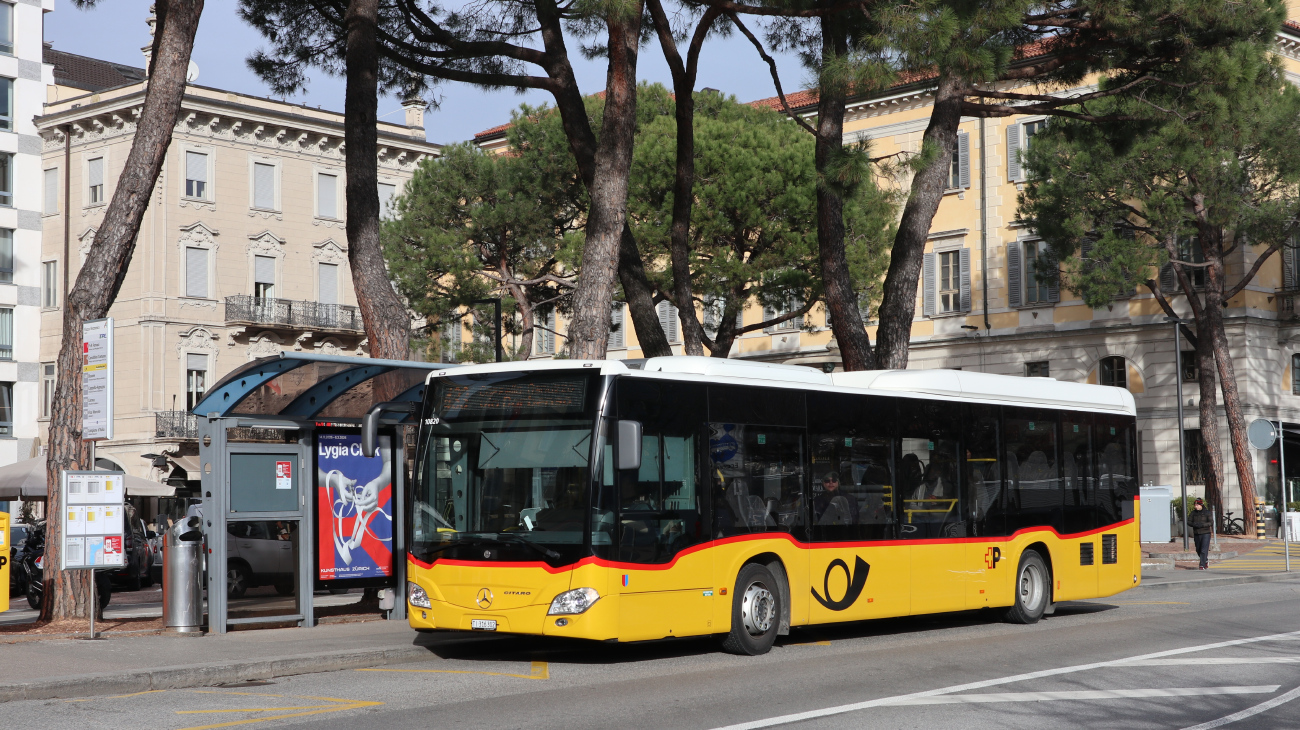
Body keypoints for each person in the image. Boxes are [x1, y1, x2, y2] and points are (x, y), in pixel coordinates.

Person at [1189, 498, 1213, 570]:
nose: (1196, 507)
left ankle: (1202, 565)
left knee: (1204, 549)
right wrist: (1195, 524)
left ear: (1201, 505)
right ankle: (1205, 560)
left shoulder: (1207, 513)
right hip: (1196, 533)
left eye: (1197, 505)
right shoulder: (1193, 513)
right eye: (1195, 505)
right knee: (1198, 549)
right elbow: (1189, 521)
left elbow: (1211, 522)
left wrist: (1203, 525)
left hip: (1205, 533)